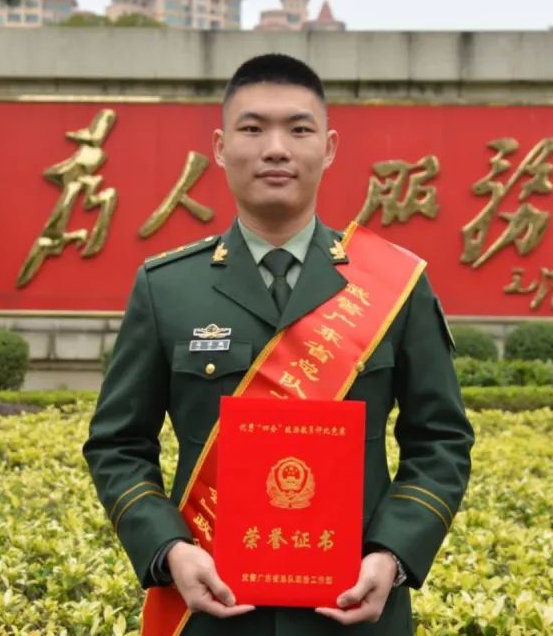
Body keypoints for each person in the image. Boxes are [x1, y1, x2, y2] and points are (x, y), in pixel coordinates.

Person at [82, 54, 474, 636]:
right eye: (252, 128)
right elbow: (117, 444)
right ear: (220, 148)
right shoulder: (167, 288)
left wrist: (392, 555)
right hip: (210, 612)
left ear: (329, 147)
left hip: (352, 610)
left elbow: (440, 440)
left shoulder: (396, 286)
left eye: (298, 129)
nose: (275, 149)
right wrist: (169, 549)